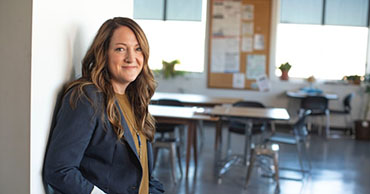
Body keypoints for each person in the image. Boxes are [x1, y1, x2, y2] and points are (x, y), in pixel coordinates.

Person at [43, 17, 164, 194]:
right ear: (104, 52)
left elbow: (143, 173)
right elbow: (59, 170)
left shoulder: (135, 99)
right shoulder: (87, 97)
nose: (131, 58)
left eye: (138, 49)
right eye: (120, 49)